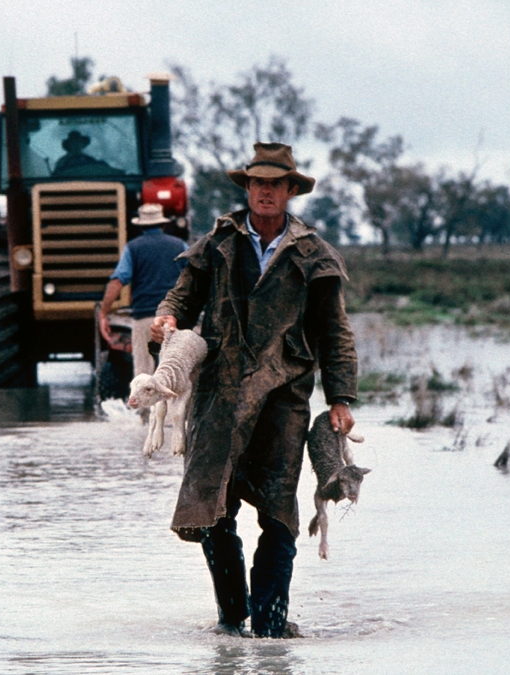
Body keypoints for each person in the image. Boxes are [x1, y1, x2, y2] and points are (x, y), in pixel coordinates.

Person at [151, 142, 358, 638]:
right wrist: (168, 316)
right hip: (219, 394)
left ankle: (269, 624)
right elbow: (183, 292)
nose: (265, 192)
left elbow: (334, 333)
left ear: (290, 191)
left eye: (275, 184)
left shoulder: (313, 255)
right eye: (257, 183)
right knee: (211, 508)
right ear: (247, 188)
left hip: (283, 396)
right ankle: (231, 616)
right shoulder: (217, 243)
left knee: (279, 511)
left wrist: (341, 399)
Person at [100, 203, 187, 380]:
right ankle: (172, 407)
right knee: (172, 371)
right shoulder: (180, 246)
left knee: (143, 374)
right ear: (163, 224)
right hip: (173, 318)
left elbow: (118, 281)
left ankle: (146, 408)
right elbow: (198, 276)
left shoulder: (133, 248)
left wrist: (103, 312)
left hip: (144, 317)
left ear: (140, 226)